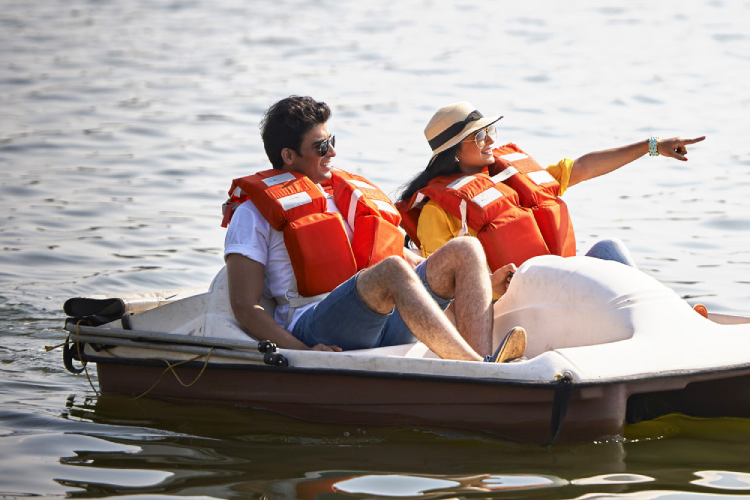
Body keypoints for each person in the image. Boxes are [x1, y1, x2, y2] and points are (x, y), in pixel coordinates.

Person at [221, 96, 524, 362]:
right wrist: (302, 350)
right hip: (316, 324)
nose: (332, 152)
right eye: (321, 146)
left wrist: (478, 284)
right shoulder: (252, 214)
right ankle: (476, 367)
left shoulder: (343, 197)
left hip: (378, 316)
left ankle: (483, 362)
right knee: (391, 270)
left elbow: (406, 261)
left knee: (465, 249)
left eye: (331, 141)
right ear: (288, 156)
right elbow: (245, 306)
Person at [396, 101, 705, 271]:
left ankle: (666, 316)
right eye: (478, 136)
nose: (490, 139)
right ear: (453, 152)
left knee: (608, 248)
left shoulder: (510, 178)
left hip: (558, 284)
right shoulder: (437, 211)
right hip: (512, 303)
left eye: (490, 130)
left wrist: (652, 146)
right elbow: (440, 281)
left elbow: (583, 167)